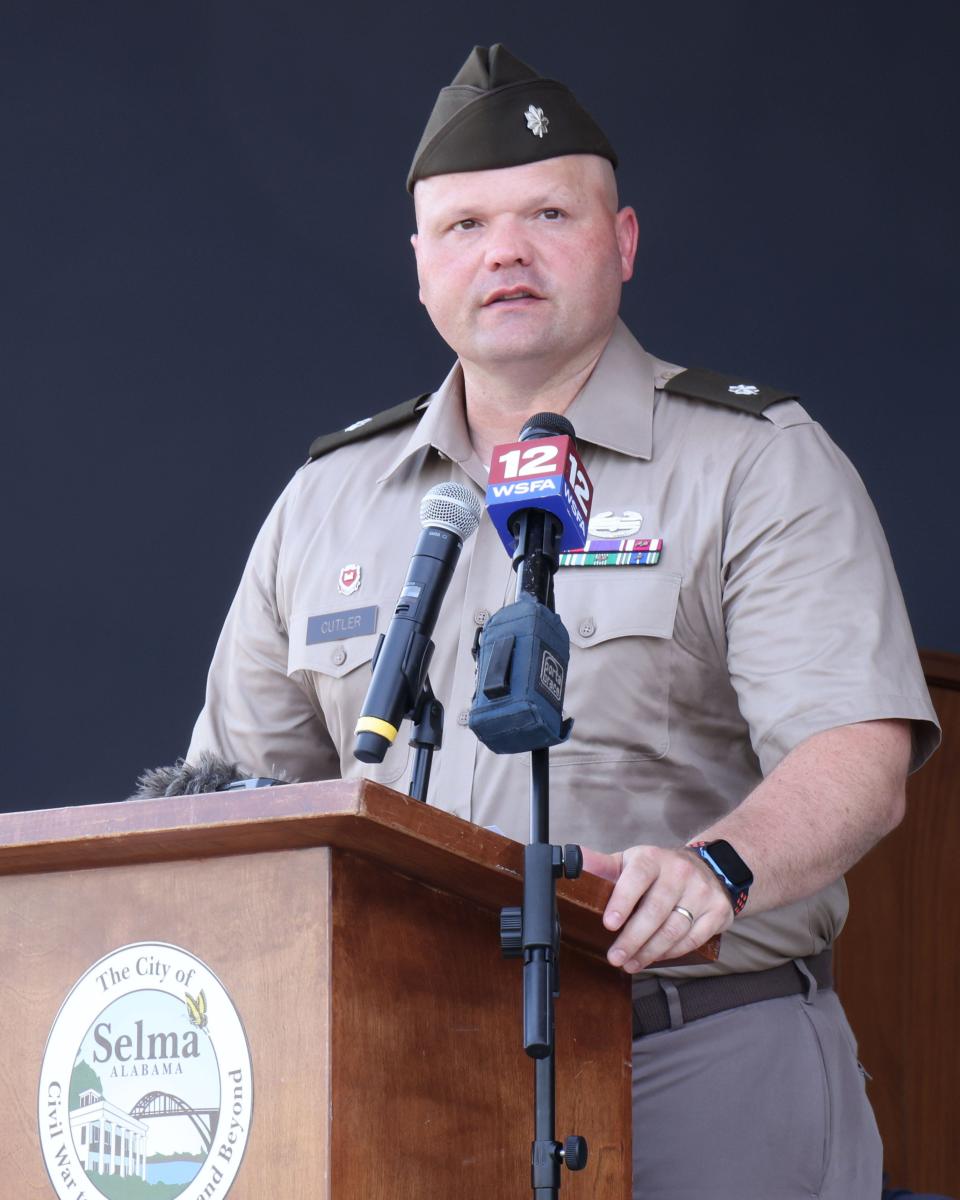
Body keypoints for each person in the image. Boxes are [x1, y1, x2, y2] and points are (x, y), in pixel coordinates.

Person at [186, 44, 940, 1198]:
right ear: (421, 266)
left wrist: (717, 868)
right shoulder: (324, 501)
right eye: (466, 225)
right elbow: (238, 802)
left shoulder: (753, 462)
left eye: (548, 211)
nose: (506, 251)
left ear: (623, 242)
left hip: (695, 1053)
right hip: (397, 1073)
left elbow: (857, 752)